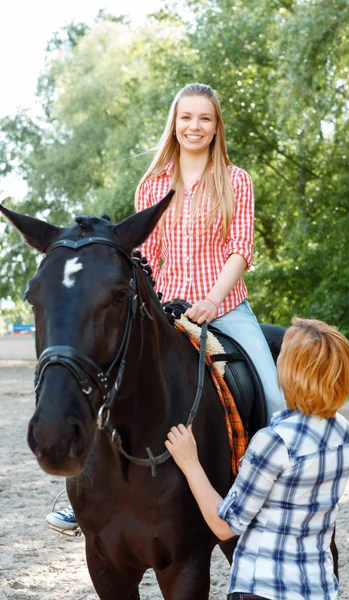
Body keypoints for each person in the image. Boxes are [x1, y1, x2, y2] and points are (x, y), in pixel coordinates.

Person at [46, 82, 285, 531]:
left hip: (226, 307)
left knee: (272, 393)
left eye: (205, 119)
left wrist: (213, 299)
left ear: (217, 128)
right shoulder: (152, 184)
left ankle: (271, 491)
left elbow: (240, 249)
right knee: (107, 378)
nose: (194, 126)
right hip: (164, 307)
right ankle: (81, 489)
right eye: (186, 117)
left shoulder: (236, 180)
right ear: (174, 124)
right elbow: (146, 256)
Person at [165, 317, 349, 600]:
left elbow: (225, 526)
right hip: (318, 588)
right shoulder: (343, 430)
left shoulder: (274, 442)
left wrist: (190, 463)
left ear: (293, 372)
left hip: (264, 589)